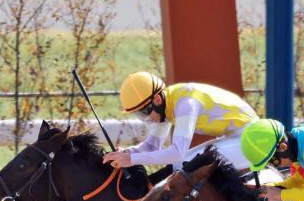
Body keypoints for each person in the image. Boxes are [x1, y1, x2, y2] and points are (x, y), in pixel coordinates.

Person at [102, 72, 258, 171]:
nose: (146, 119)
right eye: (139, 115)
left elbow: (177, 153)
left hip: (251, 140)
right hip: (234, 136)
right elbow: (151, 146)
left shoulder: (185, 104)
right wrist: (126, 153)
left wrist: (131, 160)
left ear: (156, 99)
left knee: (184, 165)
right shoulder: (165, 105)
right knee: (180, 166)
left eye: (144, 112)